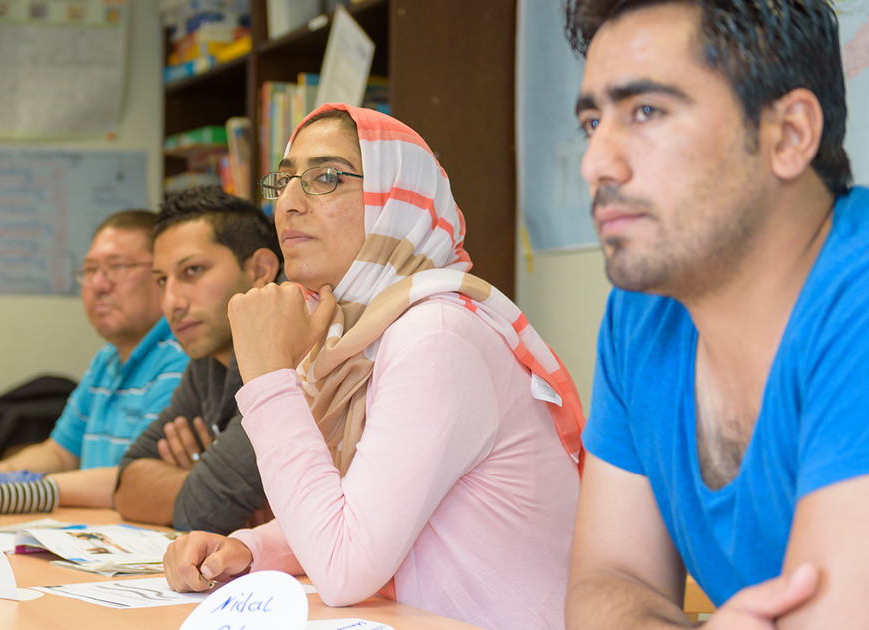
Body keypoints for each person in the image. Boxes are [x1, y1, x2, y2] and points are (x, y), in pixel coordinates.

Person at [162, 105, 586, 630]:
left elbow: (343, 568)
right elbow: (355, 519)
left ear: (395, 201)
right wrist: (247, 549)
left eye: (326, 178)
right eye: (286, 179)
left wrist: (269, 378)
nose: (288, 204)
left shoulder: (435, 335)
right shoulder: (356, 337)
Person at [562, 1, 869, 628]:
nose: (596, 164)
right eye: (592, 121)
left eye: (646, 112)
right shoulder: (641, 313)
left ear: (790, 134)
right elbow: (609, 579)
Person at [0, 211, 189, 508]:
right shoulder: (106, 360)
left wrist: (14, 487)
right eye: (90, 270)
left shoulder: (181, 356)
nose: (98, 285)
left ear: (162, 274)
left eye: (117, 267)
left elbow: (138, 480)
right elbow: (60, 452)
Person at [113, 186, 282, 534]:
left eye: (192, 271)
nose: (172, 301)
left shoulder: (287, 355)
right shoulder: (207, 362)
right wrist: (199, 480)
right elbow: (126, 485)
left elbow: (202, 512)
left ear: (260, 270)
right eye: (162, 280)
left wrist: (204, 491)